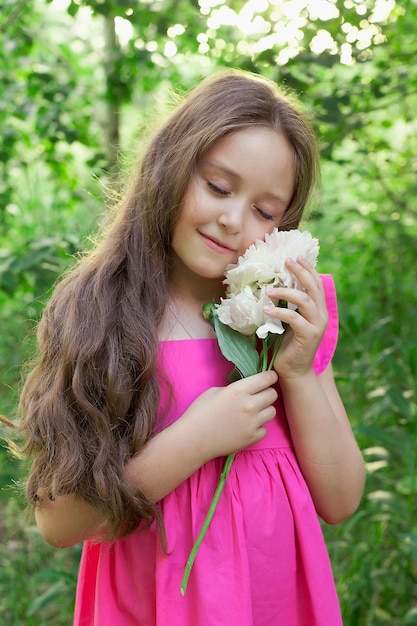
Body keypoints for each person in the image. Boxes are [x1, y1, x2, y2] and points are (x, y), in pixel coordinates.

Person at [18, 69, 365, 625]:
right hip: (152, 606)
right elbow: (60, 522)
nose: (233, 220)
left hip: (270, 603)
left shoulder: (284, 317)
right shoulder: (101, 313)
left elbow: (341, 499)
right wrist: (194, 441)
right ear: (170, 167)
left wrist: (298, 375)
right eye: (219, 188)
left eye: (265, 211)